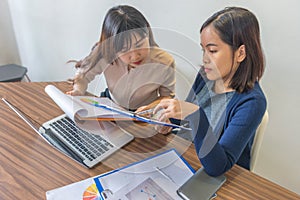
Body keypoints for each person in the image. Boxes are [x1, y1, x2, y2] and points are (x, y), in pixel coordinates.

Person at [153, 7, 267, 176]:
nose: (205, 59)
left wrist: (195, 114)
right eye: (203, 50)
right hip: (187, 158)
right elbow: (189, 122)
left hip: (221, 178)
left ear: (240, 53)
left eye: (212, 51)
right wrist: (169, 120)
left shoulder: (252, 102)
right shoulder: (205, 75)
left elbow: (218, 167)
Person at [67, 5, 175, 111]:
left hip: (145, 113)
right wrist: (78, 90)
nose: (135, 56)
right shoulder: (105, 53)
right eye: (124, 50)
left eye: (139, 45)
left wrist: (149, 109)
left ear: (148, 34)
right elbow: (83, 75)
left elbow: (167, 98)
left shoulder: (164, 62)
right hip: (111, 106)